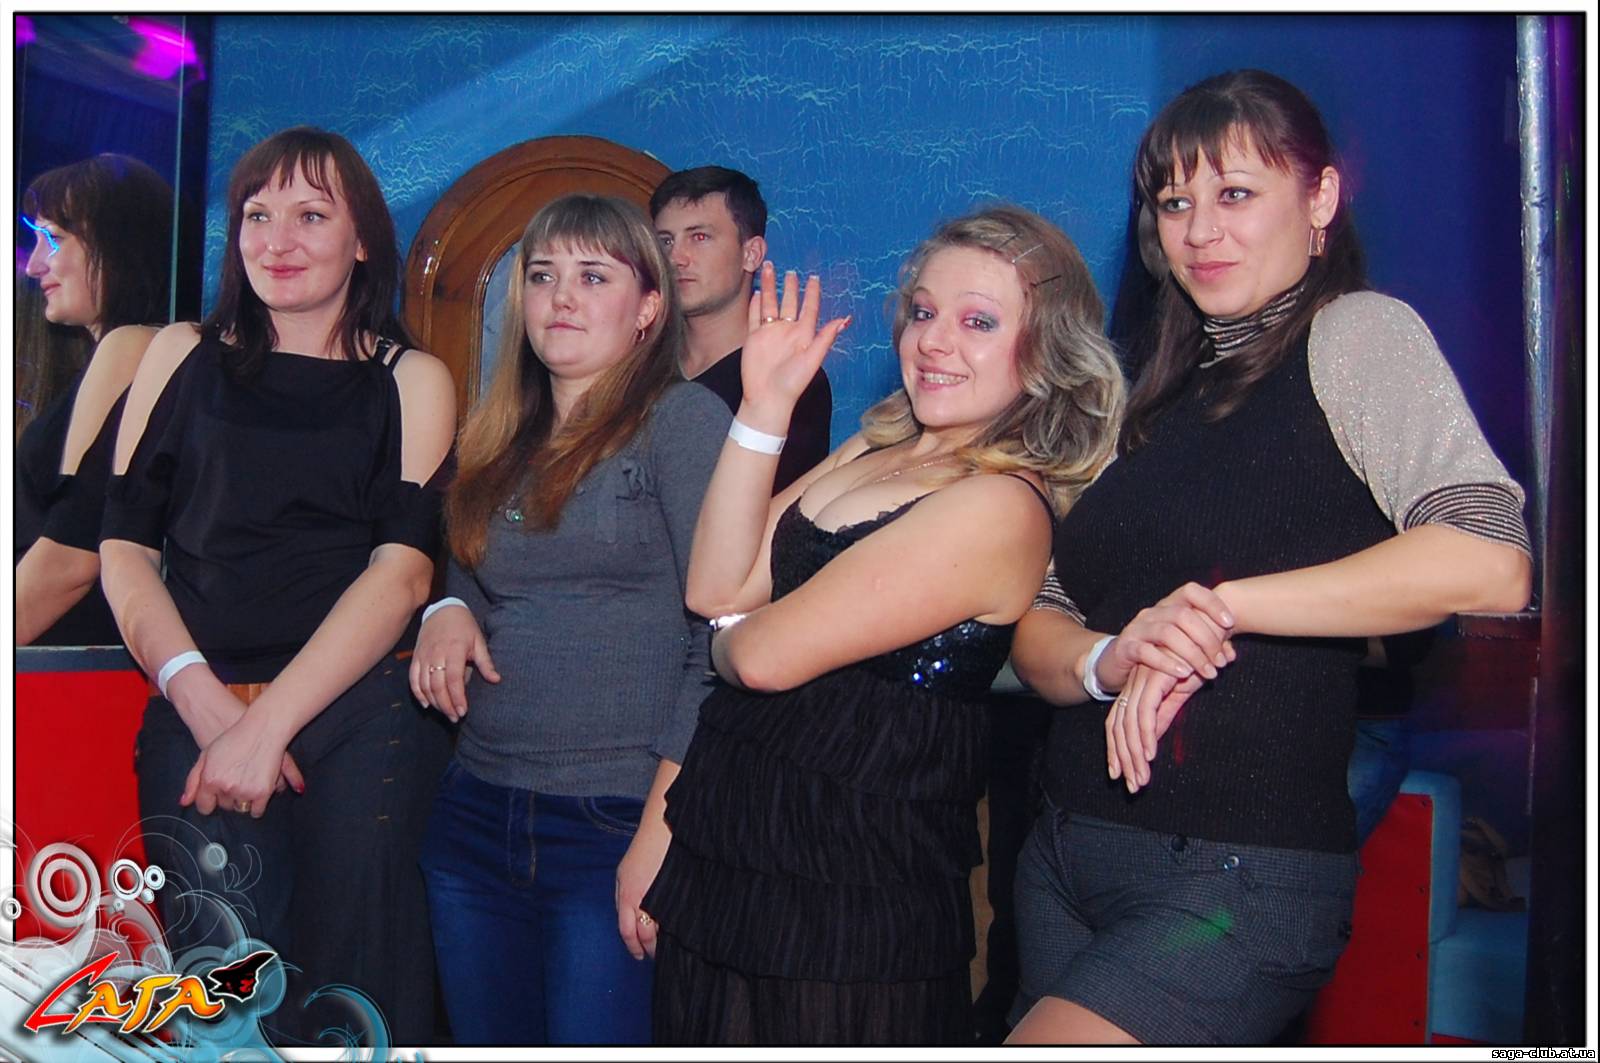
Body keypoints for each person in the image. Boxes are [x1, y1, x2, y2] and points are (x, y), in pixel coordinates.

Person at [1006, 69, 1532, 1045]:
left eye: (1237, 193)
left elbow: (1488, 559)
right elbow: (1040, 617)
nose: (1200, 230)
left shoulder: (1355, 334)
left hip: (1232, 878)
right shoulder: (1149, 387)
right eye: (1176, 203)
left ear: (1320, 198)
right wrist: (1111, 655)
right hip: (1065, 858)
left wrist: (1219, 605)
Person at [643, 204, 1127, 1044]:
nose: (934, 340)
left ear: (1047, 349)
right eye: (924, 311)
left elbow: (760, 655)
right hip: (739, 841)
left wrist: (726, 639)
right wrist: (764, 406)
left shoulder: (1001, 505)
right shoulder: (873, 447)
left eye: (979, 321)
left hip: (846, 881)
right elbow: (716, 583)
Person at [99, 127, 456, 1045]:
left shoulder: (412, 379)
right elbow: (124, 550)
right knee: (220, 1002)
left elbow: (404, 572)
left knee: (359, 999)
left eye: (310, 216)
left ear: (362, 239)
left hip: (360, 718)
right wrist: (207, 705)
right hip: (196, 706)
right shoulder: (178, 354)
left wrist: (267, 726)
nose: (278, 240)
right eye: (258, 215)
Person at [410, 194, 731, 1046]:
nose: (561, 297)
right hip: (474, 809)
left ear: (648, 307)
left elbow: (720, 637)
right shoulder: (499, 431)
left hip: (612, 818)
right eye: (544, 275)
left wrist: (660, 830)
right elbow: (474, 562)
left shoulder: (682, 421)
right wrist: (449, 604)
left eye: (594, 277)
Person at [16, 154, 172, 646]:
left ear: (117, 242)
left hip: (67, 660)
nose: (33, 264)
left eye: (54, 238)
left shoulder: (132, 345)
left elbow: (72, 556)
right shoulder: (116, 354)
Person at [650, 165, 832, 491]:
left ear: (751, 254)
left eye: (699, 237)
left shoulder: (788, 378)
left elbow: (774, 509)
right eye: (665, 241)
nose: (676, 257)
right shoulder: (637, 368)